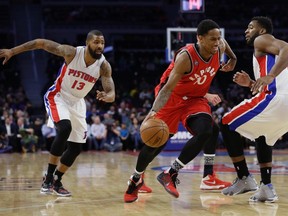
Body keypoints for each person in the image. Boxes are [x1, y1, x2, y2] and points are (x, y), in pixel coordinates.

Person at [124, 19, 237, 203]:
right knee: (156, 142)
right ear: (199, 38)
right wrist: (152, 112)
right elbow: (168, 88)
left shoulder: (220, 47)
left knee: (209, 130)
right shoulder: (186, 57)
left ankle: (177, 173)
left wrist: (233, 59)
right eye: (212, 39)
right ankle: (135, 180)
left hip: (194, 99)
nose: (217, 42)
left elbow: (226, 47)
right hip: (171, 96)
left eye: (219, 38)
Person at [0, 30, 115, 196]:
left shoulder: (104, 66)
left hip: (78, 103)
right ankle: (47, 178)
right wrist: (12, 51)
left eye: (103, 43)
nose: (100, 46)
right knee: (65, 128)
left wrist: (107, 96)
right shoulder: (72, 52)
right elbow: (40, 43)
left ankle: (56, 181)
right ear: (88, 42)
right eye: (97, 42)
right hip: (59, 96)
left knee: (76, 149)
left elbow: (112, 92)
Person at [220, 16, 288, 203]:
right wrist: (250, 82)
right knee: (262, 135)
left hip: (277, 98)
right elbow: (268, 82)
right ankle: (266, 186)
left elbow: (287, 49)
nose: (246, 31)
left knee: (226, 122)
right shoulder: (267, 54)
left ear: (262, 31)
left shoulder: (262, 40)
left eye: (250, 27)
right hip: (284, 106)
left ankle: (244, 178)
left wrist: (270, 75)